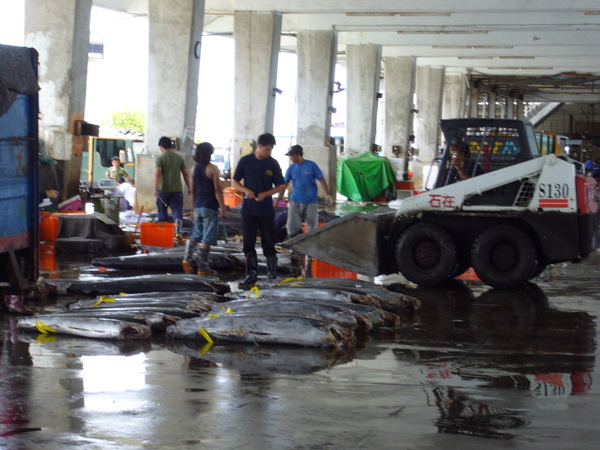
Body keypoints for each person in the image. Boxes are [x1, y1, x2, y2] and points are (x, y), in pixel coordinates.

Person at [232, 133, 285, 289]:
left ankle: (271, 276)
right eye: (267, 149)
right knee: (248, 243)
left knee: (268, 242)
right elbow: (234, 182)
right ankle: (251, 275)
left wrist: (265, 194)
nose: (269, 152)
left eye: (271, 150)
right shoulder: (245, 161)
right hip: (248, 210)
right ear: (260, 146)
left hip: (266, 210)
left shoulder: (273, 163)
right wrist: (245, 190)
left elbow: (280, 186)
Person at [183, 142, 226, 276]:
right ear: (210, 154)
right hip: (210, 207)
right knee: (207, 237)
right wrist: (223, 209)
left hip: (198, 206)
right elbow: (217, 190)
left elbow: (192, 191)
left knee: (196, 235)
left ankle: (187, 259)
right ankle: (202, 266)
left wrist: (193, 209)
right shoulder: (213, 169)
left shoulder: (193, 169)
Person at [278, 144, 332, 238]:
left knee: (312, 226)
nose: (290, 158)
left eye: (292, 155)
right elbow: (284, 185)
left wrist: (327, 194)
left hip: (310, 201)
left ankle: (310, 246)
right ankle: (293, 246)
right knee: (291, 226)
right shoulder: (291, 168)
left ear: (298, 154)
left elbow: (322, 180)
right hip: (295, 201)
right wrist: (278, 200)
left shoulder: (311, 165)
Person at [154, 136, 192, 225]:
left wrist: (155, 189)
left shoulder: (160, 158)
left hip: (163, 190)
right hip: (177, 190)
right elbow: (186, 174)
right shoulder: (179, 158)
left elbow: (157, 174)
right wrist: (190, 187)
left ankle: (163, 230)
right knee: (177, 211)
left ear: (161, 146)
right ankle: (178, 227)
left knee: (162, 211)